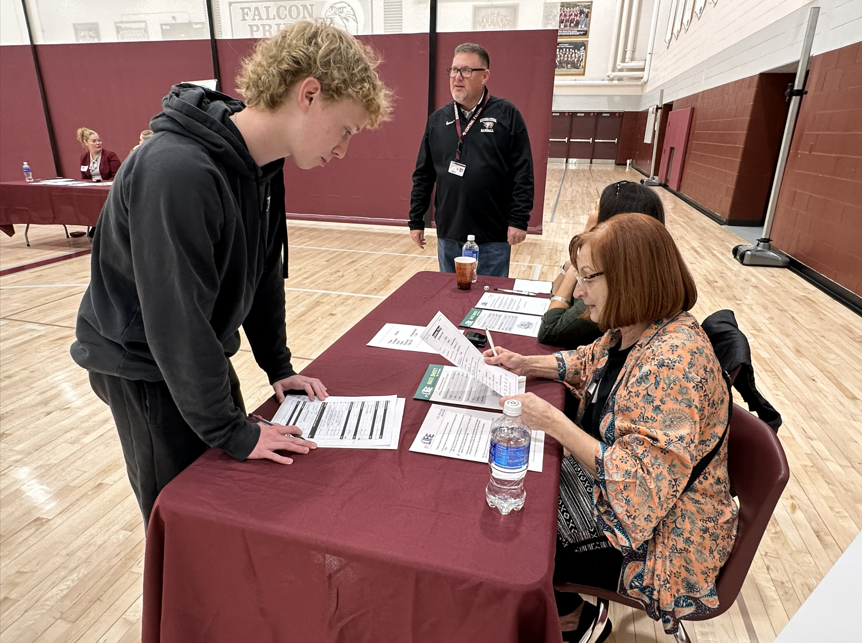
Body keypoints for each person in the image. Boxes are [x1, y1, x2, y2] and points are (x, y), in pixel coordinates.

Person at [70, 20, 392, 530]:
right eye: (346, 129)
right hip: (143, 366)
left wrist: (278, 366)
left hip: (194, 350)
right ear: (309, 94)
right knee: (184, 515)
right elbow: (176, 322)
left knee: (231, 482)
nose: (343, 149)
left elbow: (265, 271)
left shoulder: (262, 166)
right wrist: (232, 431)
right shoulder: (176, 170)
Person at [485, 213, 737, 640]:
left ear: (631, 279)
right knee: (516, 492)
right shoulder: (636, 328)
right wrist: (525, 362)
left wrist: (554, 422)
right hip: (632, 500)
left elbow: (638, 492)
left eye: (587, 279)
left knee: (513, 534)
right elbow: (587, 361)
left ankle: (575, 619)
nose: (578, 293)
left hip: (663, 542)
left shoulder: (671, 362)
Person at [408, 43, 534, 277]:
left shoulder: (507, 114)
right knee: (451, 298)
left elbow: (523, 171)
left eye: (466, 71)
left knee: (489, 298)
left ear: (485, 75)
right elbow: (424, 174)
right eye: (454, 70)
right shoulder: (437, 120)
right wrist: (416, 220)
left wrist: (519, 220)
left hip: (493, 235)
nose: (457, 77)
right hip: (449, 233)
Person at [538, 180, 665, 348]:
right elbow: (554, 293)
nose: (590, 213)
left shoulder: (613, 287)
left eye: (596, 208)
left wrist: (581, 254)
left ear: (612, 220)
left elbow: (550, 329)